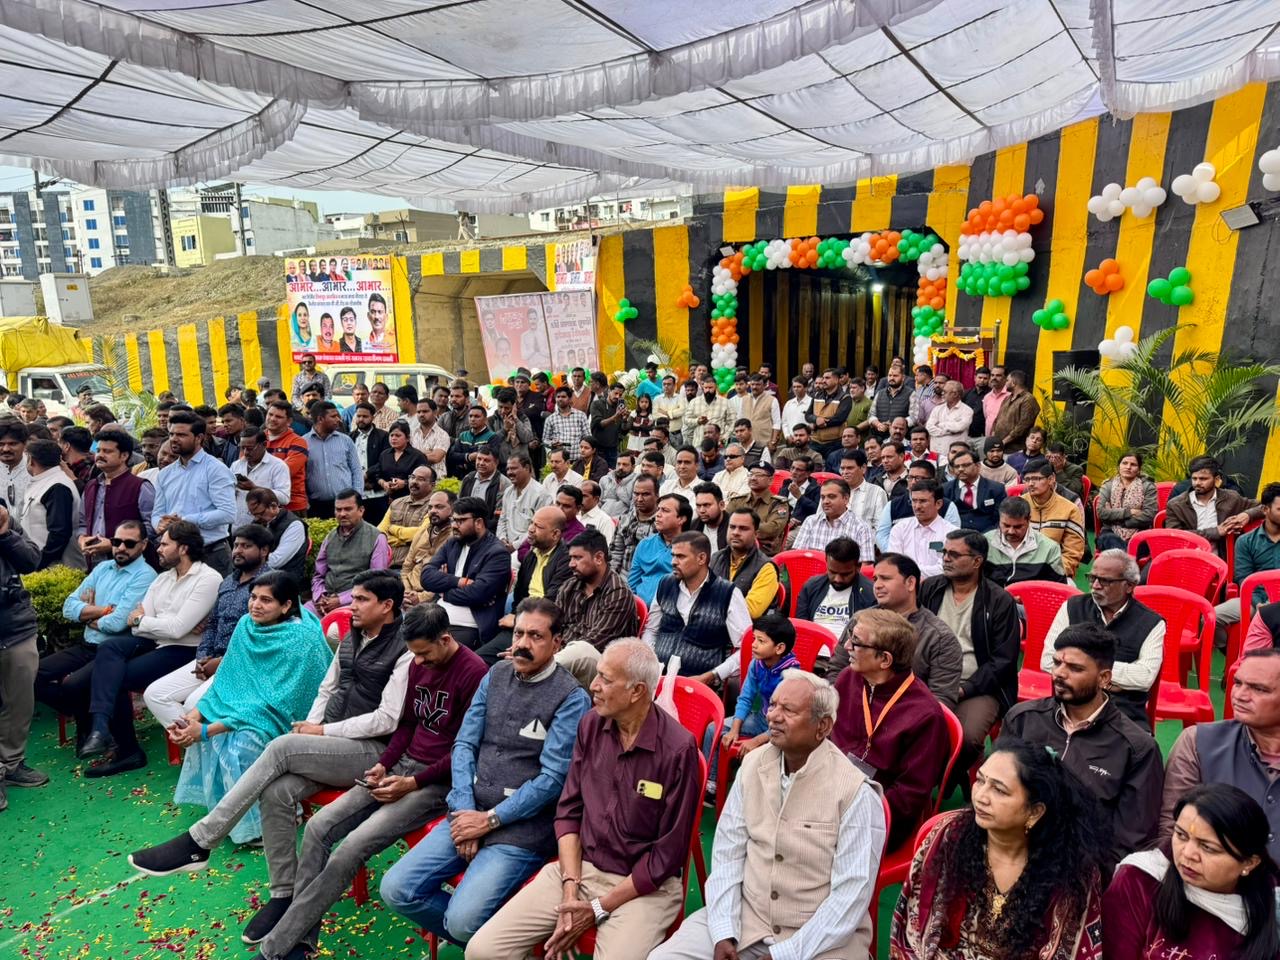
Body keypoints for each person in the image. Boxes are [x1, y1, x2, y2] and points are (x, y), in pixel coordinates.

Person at [126, 572, 411, 929]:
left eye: (361, 600)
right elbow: (327, 688)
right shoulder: (352, 633)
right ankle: (283, 895)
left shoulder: (405, 649)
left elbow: (387, 719)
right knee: (277, 793)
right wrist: (313, 728)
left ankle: (200, 840)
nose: (350, 606)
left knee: (281, 747)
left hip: (374, 753)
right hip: (332, 744)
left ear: (386, 606)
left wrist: (321, 731)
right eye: (352, 598)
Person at [247, 603, 488, 960]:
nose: (419, 662)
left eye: (424, 653)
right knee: (318, 828)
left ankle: (276, 949)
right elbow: (407, 725)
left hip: (436, 784)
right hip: (401, 766)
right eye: (414, 654)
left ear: (445, 639)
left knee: (350, 849)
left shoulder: (475, 672)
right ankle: (299, 939)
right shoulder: (419, 664)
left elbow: (466, 750)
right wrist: (383, 765)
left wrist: (413, 782)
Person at [465, 639, 702, 960]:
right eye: (597, 674)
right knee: (482, 951)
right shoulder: (591, 724)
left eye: (606, 679)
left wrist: (596, 908)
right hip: (580, 868)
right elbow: (569, 811)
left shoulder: (677, 749)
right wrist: (570, 887)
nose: (594, 685)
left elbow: (666, 856)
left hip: (643, 887)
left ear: (637, 692)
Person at [380, 598, 592, 944]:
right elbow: (464, 744)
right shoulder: (495, 675)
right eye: (519, 633)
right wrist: (466, 812)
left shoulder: (570, 698)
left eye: (536, 636)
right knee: (396, 889)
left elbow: (553, 780)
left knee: (462, 922)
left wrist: (489, 820)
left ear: (557, 643)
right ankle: (496, 945)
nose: (522, 643)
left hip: (521, 829)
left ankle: (490, 943)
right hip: (469, 811)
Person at [654, 670, 885, 960]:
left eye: (788, 710)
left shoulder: (855, 792)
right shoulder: (752, 766)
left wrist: (786, 953)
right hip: (747, 916)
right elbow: (727, 855)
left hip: (820, 937)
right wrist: (724, 931)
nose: (773, 716)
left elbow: (850, 895)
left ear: (823, 726)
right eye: (773, 705)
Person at [890, 738, 1105, 960]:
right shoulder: (949, 835)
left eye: (999, 790)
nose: (981, 797)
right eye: (980, 780)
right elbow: (913, 933)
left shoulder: (1073, 872)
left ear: (1035, 812)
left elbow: (1069, 952)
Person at [167, 569, 331, 841]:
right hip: (252, 710)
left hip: (288, 719)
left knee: (242, 743)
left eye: (266, 600)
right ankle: (231, 819)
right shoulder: (246, 625)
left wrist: (206, 730)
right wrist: (191, 720)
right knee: (211, 726)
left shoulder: (303, 639)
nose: (255, 605)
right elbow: (225, 681)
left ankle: (276, 819)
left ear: (286, 605)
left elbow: (281, 702)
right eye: (253, 597)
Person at [1005, 623, 1164, 868]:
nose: (1059, 673)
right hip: (1010, 852)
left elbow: (1129, 843)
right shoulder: (1023, 719)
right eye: (1057, 663)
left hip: (1081, 870)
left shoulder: (1137, 749)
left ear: (1104, 678)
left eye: (1075, 668)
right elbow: (995, 790)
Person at [79, 521, 223, 776]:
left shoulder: (208, 578)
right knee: (110, 648)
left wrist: (144, 621)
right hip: (158, 644)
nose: (158, 549)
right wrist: (147, 623)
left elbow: (174, 629)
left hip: (187, 650)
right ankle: (100, 727)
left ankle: (126, 750)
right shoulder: (163, 578)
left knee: (115, 677)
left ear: (183, 548)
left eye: (165, 544)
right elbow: (136, 626)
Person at [1105, 783, 1279, 960]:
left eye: (1208, 847)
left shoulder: (1271, 910)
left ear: (1249, 863)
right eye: (1181, 835)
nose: (1187, 854)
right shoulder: (1140, 880)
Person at [830, 608, 952, 849]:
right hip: (833, 792)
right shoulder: (849, 679)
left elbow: (908, 797)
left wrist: (851, 810)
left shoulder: (925, 716)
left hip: (876, 815)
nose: (846, 646)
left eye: (856, 642)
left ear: (884, 660)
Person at [143, 525, 272, 730]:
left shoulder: (273, 584)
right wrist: (203, 657)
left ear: (264, 550)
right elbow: (212, 624)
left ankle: (203, 739)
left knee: (194, 704)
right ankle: (196, 742)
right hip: (211, 659)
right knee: (156, 694)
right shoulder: (228, 582)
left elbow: (265, 635)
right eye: (236, 545)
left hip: (244, 664)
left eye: (246, 546)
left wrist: (221, 662)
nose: (238, 551)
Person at [1160, 650, 1280, 862]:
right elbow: (1172, 828)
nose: (1240, 695)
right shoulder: (1196, 743)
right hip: (1206, 877)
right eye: (1237, 683)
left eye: (1259, 689)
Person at [40, 521, 156, 737]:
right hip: (87, 645)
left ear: (143, 545)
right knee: (33, 674)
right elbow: (68, 607)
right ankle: (82, 714)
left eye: (129, 543)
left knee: (73, 685)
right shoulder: (103, 568)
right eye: (116, 542)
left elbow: (117, 623)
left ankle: (91, 732)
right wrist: (104, 610)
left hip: (115, 652)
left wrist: (88, 615)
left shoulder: (145, 576)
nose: (121, 548)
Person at [920, 529, 1019, 763]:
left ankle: (951, 777)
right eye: (944, 552)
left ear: (977, 561)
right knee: (909, 728)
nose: (946, 558)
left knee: (965, 740)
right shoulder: (930, 588)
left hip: (978, 686)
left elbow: (1003, 661)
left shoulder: (999, 600)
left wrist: (965, 689)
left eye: (954, 554)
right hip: (929, 680)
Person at [1039, 548, 1164, 727]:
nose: (1095, 586)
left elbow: (1145, 677)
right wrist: (1108, 681)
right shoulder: (1072, 607)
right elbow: (1047, 660)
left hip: (1124, 713)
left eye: (1105, 581)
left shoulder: (1152, 622)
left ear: (1129, 585)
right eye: (1092, 578)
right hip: (1069, 705)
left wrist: (1082, 670)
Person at [829, 554, 963, 709]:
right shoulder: (860, 620)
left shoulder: (939, 637)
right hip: (854, 709)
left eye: (885, 579)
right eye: (875, 579)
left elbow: (941, 700)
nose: (877, 585)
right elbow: (836, 671)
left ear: (910, 583)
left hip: (909, 717)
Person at [641, 530, 751, 684]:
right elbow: (651, 630)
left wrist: (712, 675)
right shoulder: (665, 584)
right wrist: (650, 661)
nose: (673, 562)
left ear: (701, 558)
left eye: (681, 556)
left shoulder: (727, 593)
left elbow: (746, 648)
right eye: (673, 555)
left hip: (701, 683)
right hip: (657, 677)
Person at [418, 495, 511, 649]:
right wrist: (460, 581)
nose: (454, 525)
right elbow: (426, 576)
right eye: (453, 520)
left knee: (432, 651)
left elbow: (478, 593)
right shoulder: (452, 543)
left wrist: (444, 593)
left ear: (479, 522)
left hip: (470, 625)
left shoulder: (497, 553)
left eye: (460, 521)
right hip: (435, 615)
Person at [153, 411, 237, 575]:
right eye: (171, 434)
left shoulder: (216, 469)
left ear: (199, 438)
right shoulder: (165, 474)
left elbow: (228, 513)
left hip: (210, 553)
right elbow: (157, 513)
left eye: (181, 435)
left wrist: (185, 521)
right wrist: (160, 524)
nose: (174, 439)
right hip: (175, 554)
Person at [0, 499, 44, 804]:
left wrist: (5, 534)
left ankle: (11, 764)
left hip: (16, 629)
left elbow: (31, 560)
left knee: (20, 703)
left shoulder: (5, 518)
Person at [1218, 481, 1280, 651]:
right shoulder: (1246, 541)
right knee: (1211, 618)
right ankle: (1231, 652)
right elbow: (1243, 578)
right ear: (1265, 510)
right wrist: (1259, 603)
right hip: (1254, 600)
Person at [310, 490, 391, 615]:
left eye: (348, 509)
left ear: (361, 510)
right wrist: (320, 596)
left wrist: (340, 600)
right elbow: (318, 575)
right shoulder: (330, 537)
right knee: (298, 621)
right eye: (338, 509)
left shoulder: (376, 537)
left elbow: (376, 581)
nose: (342, 514)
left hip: (357, 603)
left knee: (334, 628)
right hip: (324, 601)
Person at [1165, 454, 1263, 557]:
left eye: (1203, 479)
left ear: (1216, 479)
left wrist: (1247, 515)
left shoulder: (1231, 498)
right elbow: (1174, 538)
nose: (1197, 483)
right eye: (1194, 478)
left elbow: (1265, 507)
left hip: (1222, 561)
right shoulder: (1176, 505)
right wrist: (1216, 532)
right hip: (1188, 559)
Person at [794, 536, 876, 649]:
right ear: (826, 562)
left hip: (848, 654)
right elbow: (801, 627)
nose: (838, 579)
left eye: (845, 574)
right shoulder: (811, 586)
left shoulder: (870, 593)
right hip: (810, 651)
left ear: (858, 567)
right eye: (832, 572)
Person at [21, 438, 83, 569]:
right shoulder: (46, 481)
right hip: (39, 563)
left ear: (31, 460)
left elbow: (59, 533)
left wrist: (40, 562)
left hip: (54, 567)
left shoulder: (58, 486)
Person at [710, 508, 780, 619]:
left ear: (756, 534)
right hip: (711, 621)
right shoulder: (716, 558)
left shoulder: (766, 568)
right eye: (732, 527)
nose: (735, 532)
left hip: (746, 627)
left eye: (743, 529)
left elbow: (750, 611)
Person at [1023, 457, 1086, 577]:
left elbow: (1072, 552)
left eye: (1036, 478)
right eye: (1027, 479)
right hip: (1022, 569)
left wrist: (1054, 572)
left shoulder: (1069, 509)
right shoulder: (1019, 505)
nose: (1030, 483)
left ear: (1051, 479)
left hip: (1055, 571)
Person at [984, 496, 1066, 586]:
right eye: (1006, 525)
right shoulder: (985, 543)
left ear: (1029, 520)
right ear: (999, 519)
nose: (1011, 531)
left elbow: (1057, 586)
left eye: (1018, 527)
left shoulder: (1050, 548)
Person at [302, 400, 362, 520]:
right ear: (320, 419)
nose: (338, 420)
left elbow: (356, 470)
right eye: (333, 416)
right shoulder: (303, 443)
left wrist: (357, 496)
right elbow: (300, 475)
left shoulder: (346, 441)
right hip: (316, 506)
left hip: (346, 505)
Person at [628, 493, 692, 606]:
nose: (657, 514)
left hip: (673, 609)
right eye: (658, 509)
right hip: (639, 608)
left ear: (681, 519)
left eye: (665, 510)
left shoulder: (691, 548)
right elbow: (632, 583)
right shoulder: (645, 544)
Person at [790, 477, 876, 559]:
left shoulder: (861, 528)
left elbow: (865, 564)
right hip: (809, 569)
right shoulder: (811, 521)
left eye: (831, 496)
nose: (825, 501)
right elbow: (796, 555)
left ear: (846, 499)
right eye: (823, 497)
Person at [887, 479, 957, 578]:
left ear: (938, 504)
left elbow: (946, 568)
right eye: (914, 501)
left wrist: (911, 572)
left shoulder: (951, 533)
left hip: (938, 585)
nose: (917, 506)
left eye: (923, 501)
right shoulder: (900, 528)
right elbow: (894, 563)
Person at [1093, 450, 1158, 552]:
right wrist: (1129, 512)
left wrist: (1120, 520)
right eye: (1124, 463)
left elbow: (1149, 515)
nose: (1128, 467)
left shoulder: (1148, 487)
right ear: (1118, 467)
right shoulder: (1108, 486)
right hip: (1110, 532)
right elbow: (1101, 513)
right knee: (1108, 540)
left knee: (1136, 545)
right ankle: (1127, 557)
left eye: (1133, 464)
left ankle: (1123, 557)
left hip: (1139, 533)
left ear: (1139, 469)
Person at [401, 491, 456, 606]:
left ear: (453, 509)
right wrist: (406, 592)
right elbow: (407, 567)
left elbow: (448, 578)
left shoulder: (455, 537)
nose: (433, 511)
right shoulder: (423, 530)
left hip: (433, 597)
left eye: (439, 507)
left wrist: (421, 598)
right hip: (408, 591)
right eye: (430, 507)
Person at [230, 427, 291, 527]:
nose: (245, 452)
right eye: (242, 448)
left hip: (265, 528)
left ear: (264, 445)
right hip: (238, 525)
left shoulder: (278, 466)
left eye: (250, 448)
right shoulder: (236, 465)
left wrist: (254, 488)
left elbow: (284, 498)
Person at [245, 488, 307, 585]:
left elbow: (276, 561)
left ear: (273, 506)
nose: (256, 518)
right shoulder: (258, 522)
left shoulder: (294, 525)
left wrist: (249, 560)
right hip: (259, 575)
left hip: (284, 580)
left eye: (260, 513)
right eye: (253, 514)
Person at [377, 465, 434, 568]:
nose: (414, 481)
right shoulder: (396, 503)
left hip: (413, 568)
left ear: (432, 485)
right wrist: (406, 540)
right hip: (386, 565)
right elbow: (379, 534)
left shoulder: (434, 506)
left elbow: (422, 535)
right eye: (412, 477)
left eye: (421, 479)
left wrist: (393, 529)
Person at [943, 445, 1005, 533]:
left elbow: (1000, 519)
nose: (960, 469)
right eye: (957, 466)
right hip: (956, 535)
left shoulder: (996, 489)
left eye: (965, 465)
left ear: (978, 466)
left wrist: (987, 536)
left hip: (988, 535)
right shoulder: (946, 489)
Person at [263, 400, 310, 515]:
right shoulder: (256, 439)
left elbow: (285, 472)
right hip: (262, 505)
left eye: (278, 417)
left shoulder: (298, 442)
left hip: (292, 506)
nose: (272, 419)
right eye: (270, 414)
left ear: (289, 421)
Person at [610, 474, 660, 574]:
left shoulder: (662, 523)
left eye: (645, 494)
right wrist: (612, 578)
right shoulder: (625, 519)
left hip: (649, 577)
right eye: (636, 494)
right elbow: (615, 552)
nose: (639, 499)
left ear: (657, 495)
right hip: (622, 576)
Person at [377, 421, 429, 504]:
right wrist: (383, 483)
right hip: (387, 500)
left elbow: (424, 479)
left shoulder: (418, 456)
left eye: (398, 435)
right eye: (391, 435)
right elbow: (378, 474)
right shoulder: (384, 454)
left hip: (411, 500)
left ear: (407, 438)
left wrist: (405, 483)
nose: (393, 438)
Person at [989, 370, 1040, 450]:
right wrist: (993, 438)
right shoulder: (1007, 398)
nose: (1005, 383)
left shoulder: (1028, 399)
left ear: (1013, 382)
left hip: (1015, 449)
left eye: (1007, 380)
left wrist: (1004, 442)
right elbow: (998, 419)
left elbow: (1023, 426)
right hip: (999, 447)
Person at [925, 380, 974, 455]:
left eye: (945, 392)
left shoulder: (967, 410)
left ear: (955, 394)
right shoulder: (937, 409)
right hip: (935, 452)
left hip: (956, 455)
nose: (942, 393)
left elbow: (959, 427)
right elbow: (929, 427)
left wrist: (940, 425)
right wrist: (946, 431)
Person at [600, 452, 638, 519]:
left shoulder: (637, 482)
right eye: (618, 464)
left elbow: (634, 510)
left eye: (625, 464)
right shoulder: (605, 479)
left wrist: (620, 520)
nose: (620, 467)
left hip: (622, 521)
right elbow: (597, 502)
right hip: (602, 518)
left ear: (633, 467)